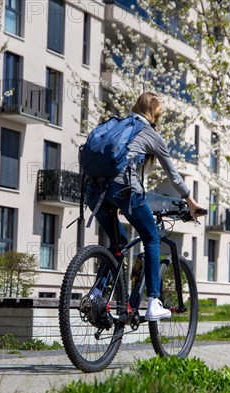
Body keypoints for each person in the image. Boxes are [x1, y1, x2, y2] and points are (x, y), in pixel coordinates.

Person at [85, 92, 205, 321]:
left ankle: (96, 294)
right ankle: (153, 303)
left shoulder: (116, 126)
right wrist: (191, 202)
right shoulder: (150, 134)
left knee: (118, 244)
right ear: (155, 115)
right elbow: (174, 176)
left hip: (93, 190)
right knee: (151, 238)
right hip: (124, 190)